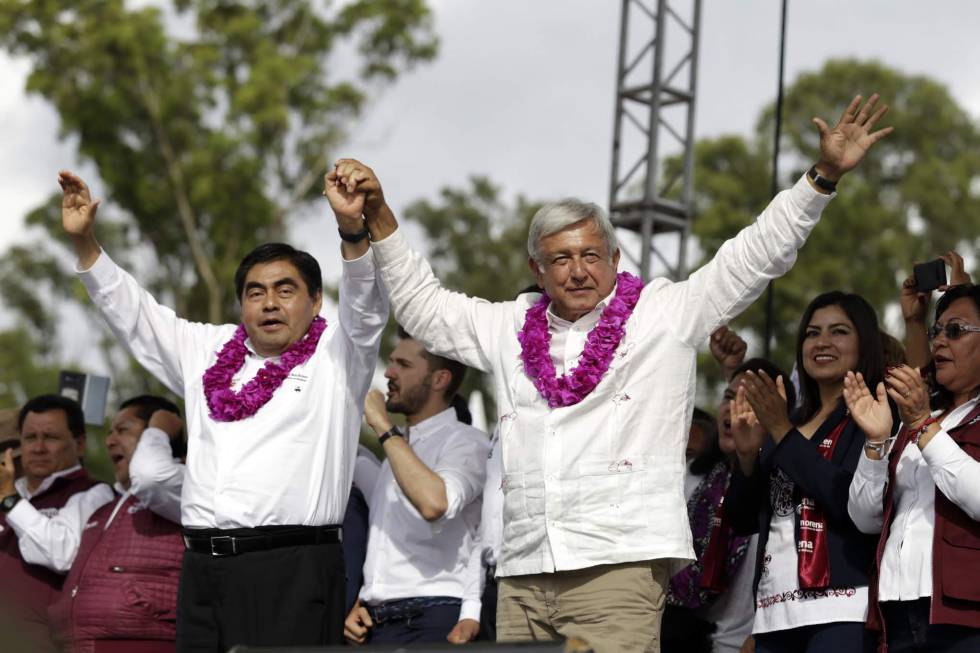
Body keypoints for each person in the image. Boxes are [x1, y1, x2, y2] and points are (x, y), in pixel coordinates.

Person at [330, 93, 892, 651]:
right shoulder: (508, 325)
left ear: (616, 259)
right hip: (523, 573)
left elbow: (752, 256)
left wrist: (821, 177)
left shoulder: (664, 315)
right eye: (561, 259)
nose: (578, 271)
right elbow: (423, 309)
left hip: (617, 568)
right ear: (537, 269)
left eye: (591, 255)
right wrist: (377, 216)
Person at [58, 169, 389, 652]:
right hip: (202, 571)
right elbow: (135, 315)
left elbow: (366, 306)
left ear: (316, 301)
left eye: (285, 289)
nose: (269, 303)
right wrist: (87, 244)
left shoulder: (339, 354)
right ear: (241, 304)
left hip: (291, 570)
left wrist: (352, 231)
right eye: (256, 292)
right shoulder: (207, 349)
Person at [725, 291, 888, 653]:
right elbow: (741, 521)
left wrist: (782, 433)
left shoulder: (873, 418)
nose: (822, 342)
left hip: (841, 610)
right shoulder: (790, 421)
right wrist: (749, 455)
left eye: (839, 331)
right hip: (772, 613)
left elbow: (850, 503)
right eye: (812, 333)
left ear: (864, 342)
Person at [846, 283, 980, 652]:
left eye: (956, 331)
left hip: (965, 617)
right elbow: (866, 518)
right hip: (896, 611)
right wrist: (876, 441)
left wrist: (923, 426)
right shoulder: (920, 415)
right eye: (936, 331)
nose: (938, 342)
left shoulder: (921, 419)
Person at [345, 329, 489, 646]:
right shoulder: (397, 453)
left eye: (404, 365)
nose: (389, 372)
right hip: (379, 622)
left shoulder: (467, 443)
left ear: (439, 380)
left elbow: (435, 503)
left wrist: (383, 426)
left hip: (434, 617)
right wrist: (365, 596)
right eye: (392, 362)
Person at [28, 396, 186, 653]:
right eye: (110, 432)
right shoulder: (104, 509)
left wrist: (159, 428)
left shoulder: (182, 487)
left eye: (123, 430)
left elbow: (150, 477)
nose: (109, 440)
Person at [0, 395, 113, 651]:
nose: (38, 448)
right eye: (29, 438)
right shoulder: (8, 490)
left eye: (50, 437)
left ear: (80, 444)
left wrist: (10, 502)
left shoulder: (93, 494)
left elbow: (64, 555)